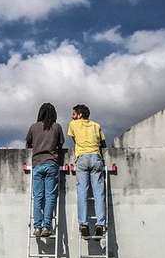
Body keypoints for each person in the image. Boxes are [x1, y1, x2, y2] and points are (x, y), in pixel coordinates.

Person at [67, 104, 106, 237]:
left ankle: (83, 224)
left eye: (74, 114)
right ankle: (100, 223)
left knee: (82, 192)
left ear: (79, 115)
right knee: (99, 193)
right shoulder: (97, 125)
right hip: (96, 157)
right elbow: (103, 144)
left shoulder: (73, 124)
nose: (72, 116)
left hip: (82, 158)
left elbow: (74, 140)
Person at [25, 102, 64, 238]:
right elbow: (61, 143)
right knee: (50, 196)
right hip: (51, 163)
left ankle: (37, 227)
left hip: (37, 164)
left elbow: (28, 143)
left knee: (38, 198)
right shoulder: (57, 127)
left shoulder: (33, 127)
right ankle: (47, 226)